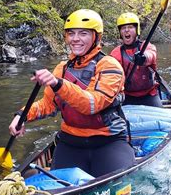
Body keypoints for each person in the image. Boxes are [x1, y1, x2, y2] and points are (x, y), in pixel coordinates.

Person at [9, 9, 135, 177]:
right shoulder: (62, 68)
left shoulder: (109, 66)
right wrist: (22, 115)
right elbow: (48, 104)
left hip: (108, 141)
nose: (75, 39)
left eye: (83, 33)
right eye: (71, 33)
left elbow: (92, 104)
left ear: (96, 36)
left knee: (119, 185)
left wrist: (57, 83)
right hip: (71, 142)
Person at [111, 12, 162, 107]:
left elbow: (151, 55)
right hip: (127, 96)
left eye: (130, 27)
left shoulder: (146, 46)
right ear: (120, 32)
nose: (126, 30)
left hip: (148, 94)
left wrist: (144, 58)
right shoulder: (116, 53)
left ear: (136, 30)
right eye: (123, 28)